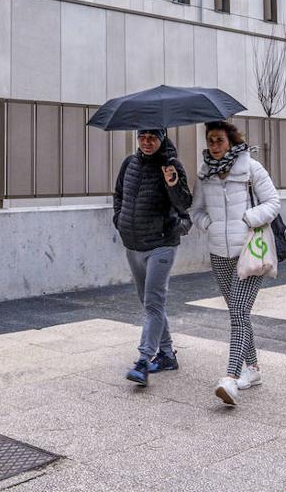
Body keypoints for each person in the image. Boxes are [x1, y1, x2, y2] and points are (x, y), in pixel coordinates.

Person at [189, 121, 280, 406]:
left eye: (219, 140)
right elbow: (196, 210)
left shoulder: (251, 168)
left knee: (239, 311)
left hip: (249, 250)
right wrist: (210, 224)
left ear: (230, 141)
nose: (215, 145)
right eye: (210, 140)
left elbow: (274, 203)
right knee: (238, 313)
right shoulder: (204, 174)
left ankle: (230, 379)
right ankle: (252, 370)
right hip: (219, 253)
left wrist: (247, 220)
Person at [113, 128, 193, 386]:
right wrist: (119, 220)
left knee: (154, 304)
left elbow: (184, 205)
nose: (147, 142)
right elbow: (119, 196)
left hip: (161, 244)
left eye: (152, 137)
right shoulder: (129, 163)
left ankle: (143, 360)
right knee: (149, 303)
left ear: (162, 138)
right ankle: (168, 354)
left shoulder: (172, 165)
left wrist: (172, 183)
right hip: (133, 245)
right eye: (142, 137)